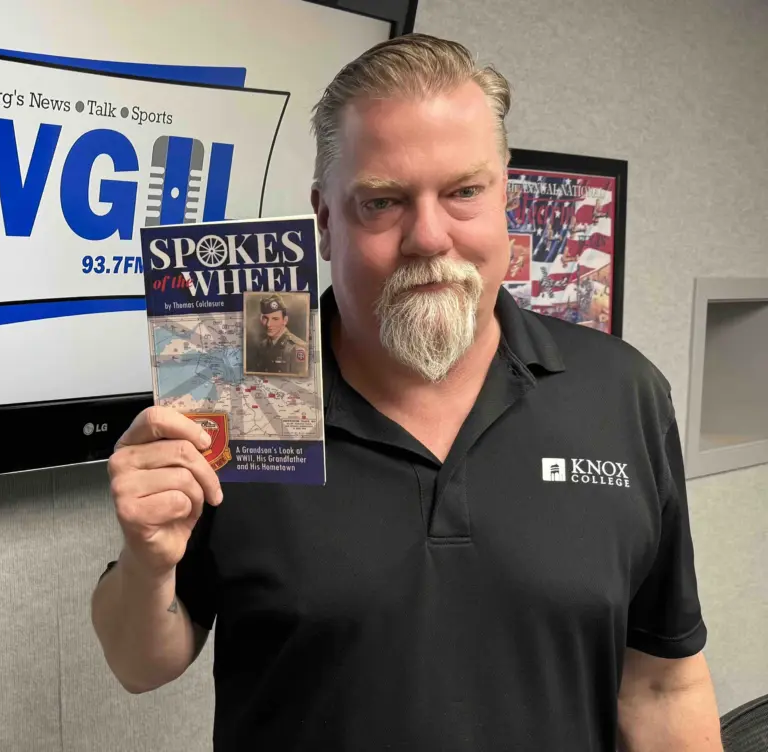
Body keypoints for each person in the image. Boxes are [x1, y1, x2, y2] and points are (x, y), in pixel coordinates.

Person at [91, 33, 723, 751]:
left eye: (463, 192)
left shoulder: (623, 394)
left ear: (504, 200)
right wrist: (147, 559)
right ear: (324, 221)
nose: (429, 236)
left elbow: (664, 685)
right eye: (382, 202)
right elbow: (140, 664)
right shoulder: (234, 390)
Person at [246, 294, 307, 375]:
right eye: (265, 318)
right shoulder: (262, 345)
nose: (268, 324)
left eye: (275, 319)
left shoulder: (297, 348)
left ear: (285, 320)